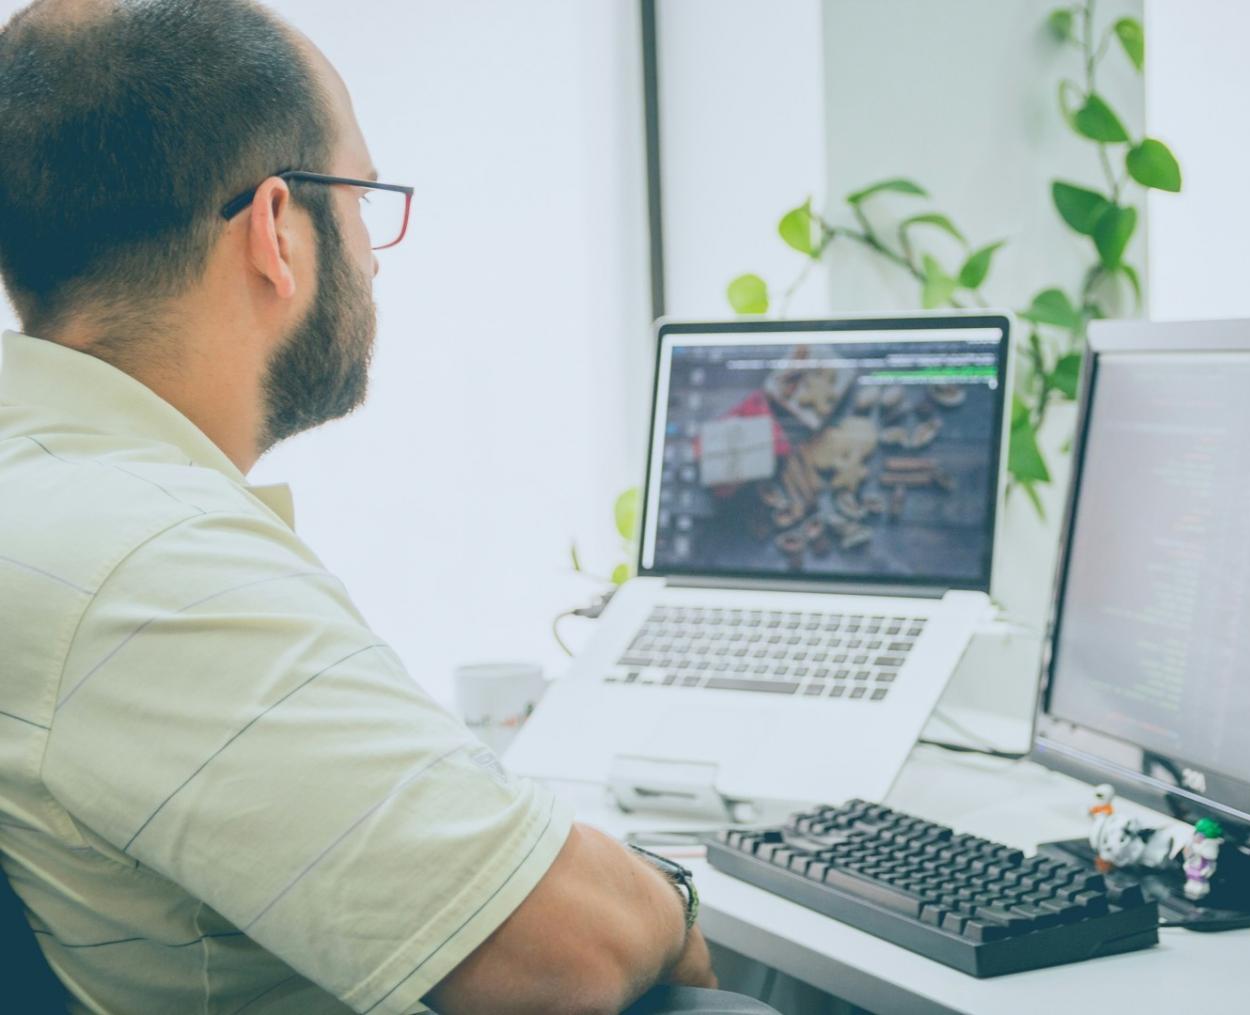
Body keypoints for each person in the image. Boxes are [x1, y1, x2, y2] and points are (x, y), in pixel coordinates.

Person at [0, 2, 774, 1013]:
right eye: (361, 199)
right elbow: (562, 955)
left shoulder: (49, 497)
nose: (370, 254)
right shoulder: (148, 560)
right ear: (278, 229)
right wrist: (668, 899)